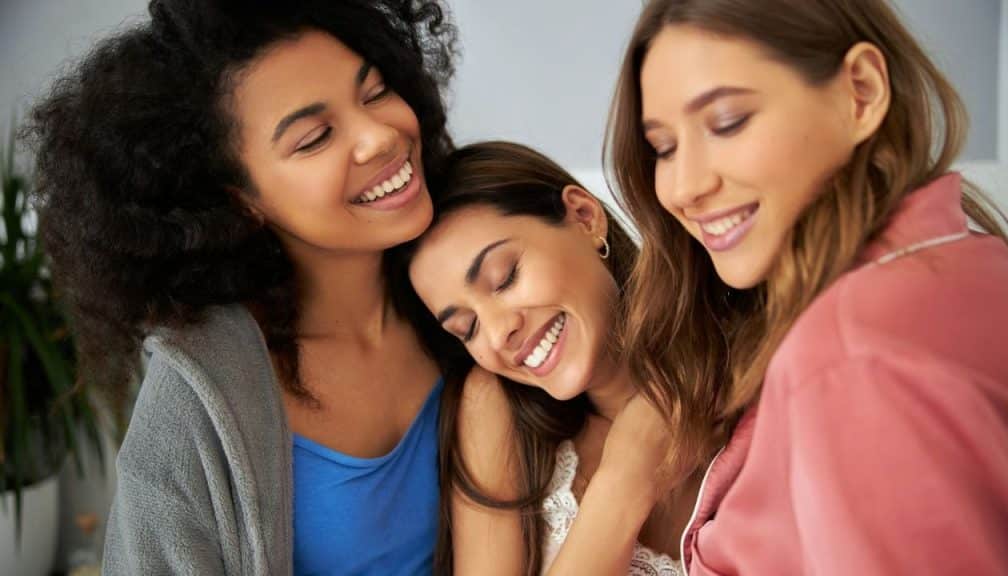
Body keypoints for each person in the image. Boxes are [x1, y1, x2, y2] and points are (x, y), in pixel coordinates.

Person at [24, 1, 459, 574]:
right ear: (239, 198)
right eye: (314, 138)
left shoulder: (478, 282)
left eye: (375, 92)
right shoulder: (196, 399)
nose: (378, 137)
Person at [607, 0, 1008, 574]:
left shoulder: (849, 356)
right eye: (664, 148)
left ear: (861, 91)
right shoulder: (966, 259)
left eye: (727, 121)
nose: (683, 186)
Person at [402, 141, 698, 575]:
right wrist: (624, 478)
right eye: (467, 328)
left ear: (584, 217)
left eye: (505, 278)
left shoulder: (752, 369)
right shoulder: (500, 412)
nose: (500, 334)